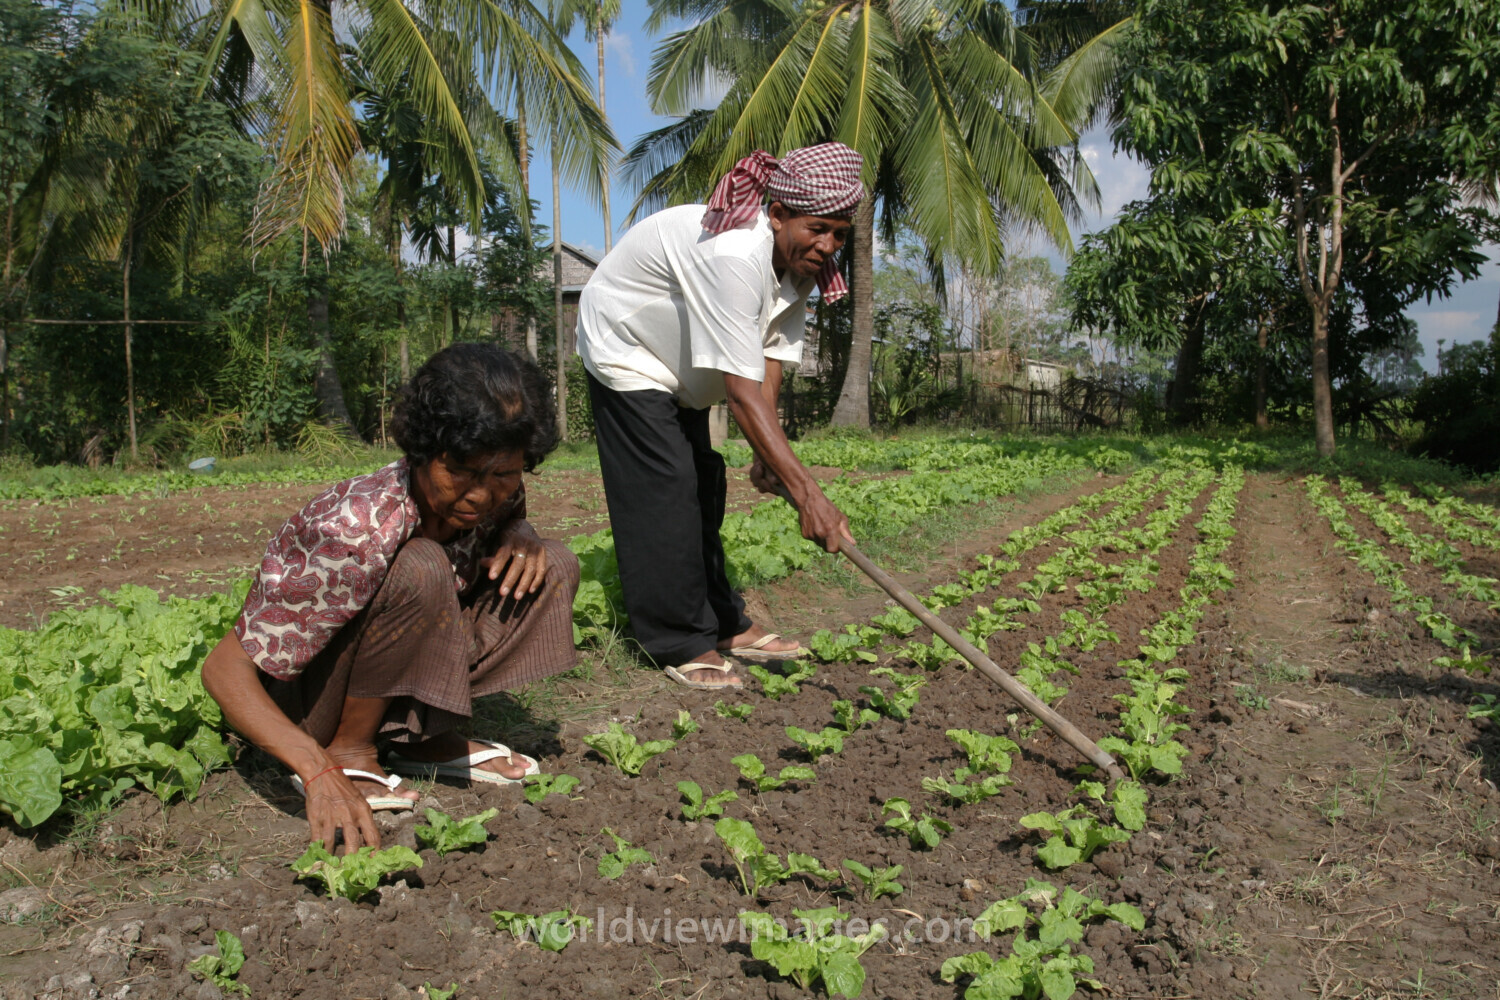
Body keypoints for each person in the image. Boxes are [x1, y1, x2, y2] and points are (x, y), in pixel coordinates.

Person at [201, 345, 580, 851]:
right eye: (463, 471)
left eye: (503, 474)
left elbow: (502, 509)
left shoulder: (493, 492)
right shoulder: (355, 526)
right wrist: (315, 769)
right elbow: (222, 670)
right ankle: (349, 750)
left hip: (395, 662)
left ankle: (424, 742)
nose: (482, 495)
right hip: (304, 699)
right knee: (421, 566)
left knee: (551, 563)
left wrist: (521, 531)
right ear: (423, 450)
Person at [576, 142, 862, 690]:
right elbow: (740, 392)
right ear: (777, 215)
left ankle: (722, 621)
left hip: (680, 362)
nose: (828, 245)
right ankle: (677, 638)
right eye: (819, 228)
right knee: (665, 486)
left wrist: (767, 455)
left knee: (705, 483)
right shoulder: (735, 256)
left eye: (840, 235)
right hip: (627, 346)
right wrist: (809, 496)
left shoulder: (799, 268)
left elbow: (771, 357)